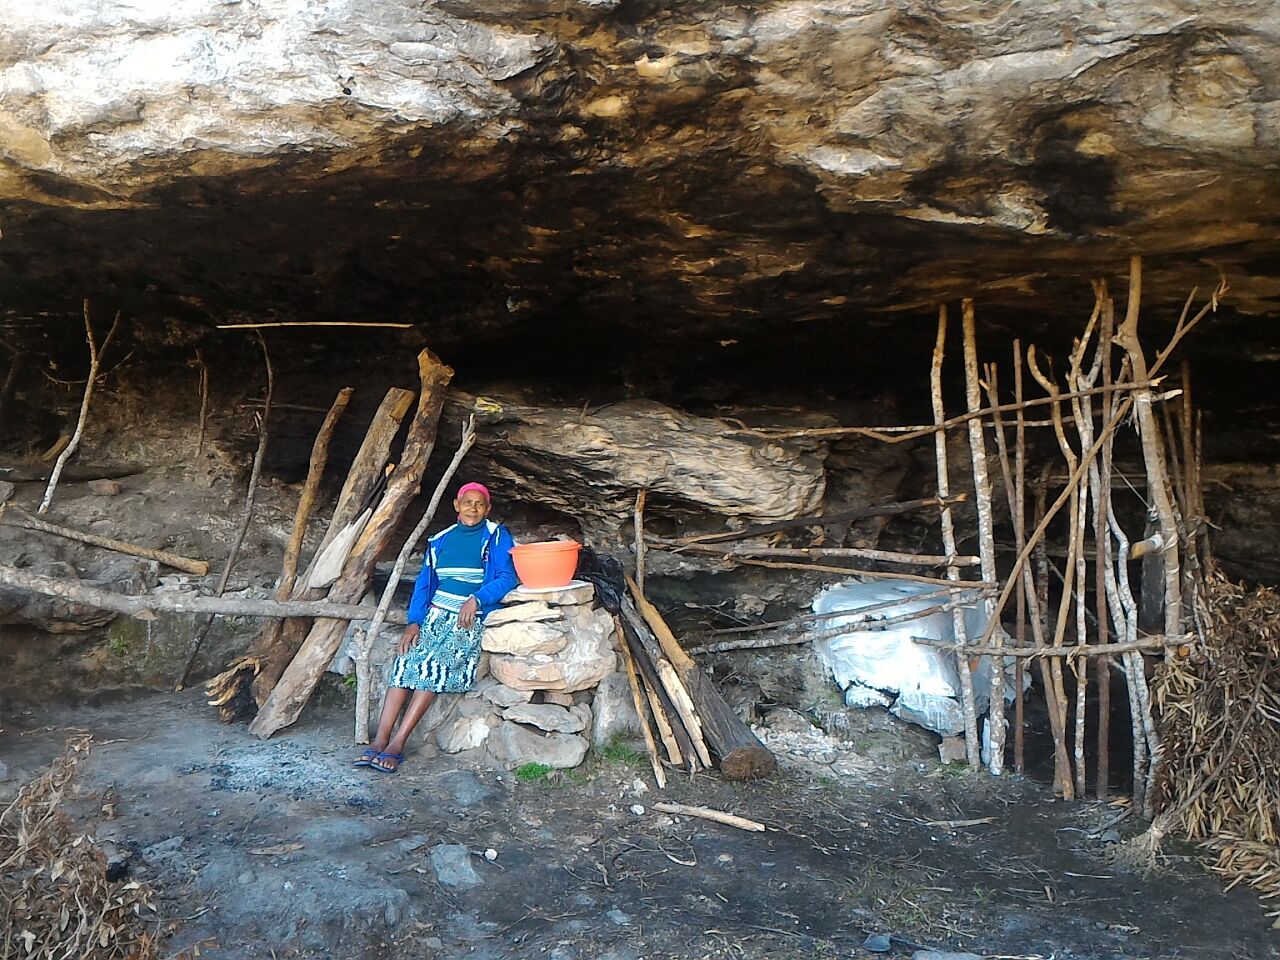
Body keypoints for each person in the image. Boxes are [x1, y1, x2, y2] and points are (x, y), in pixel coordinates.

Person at [355, 481, 517, 773]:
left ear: (488, 509)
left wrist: (477, 600)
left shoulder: (496, 537)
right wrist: (414, 622)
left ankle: (397, 744)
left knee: (432, 667)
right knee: (405, 661)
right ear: (456, 505)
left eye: (480, 504)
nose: (473, 508)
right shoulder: (439, 541)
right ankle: (379, 740)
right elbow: (424, 586)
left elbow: (507, 577)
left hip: (465, 619)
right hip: (433, 616)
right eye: (468, 502)